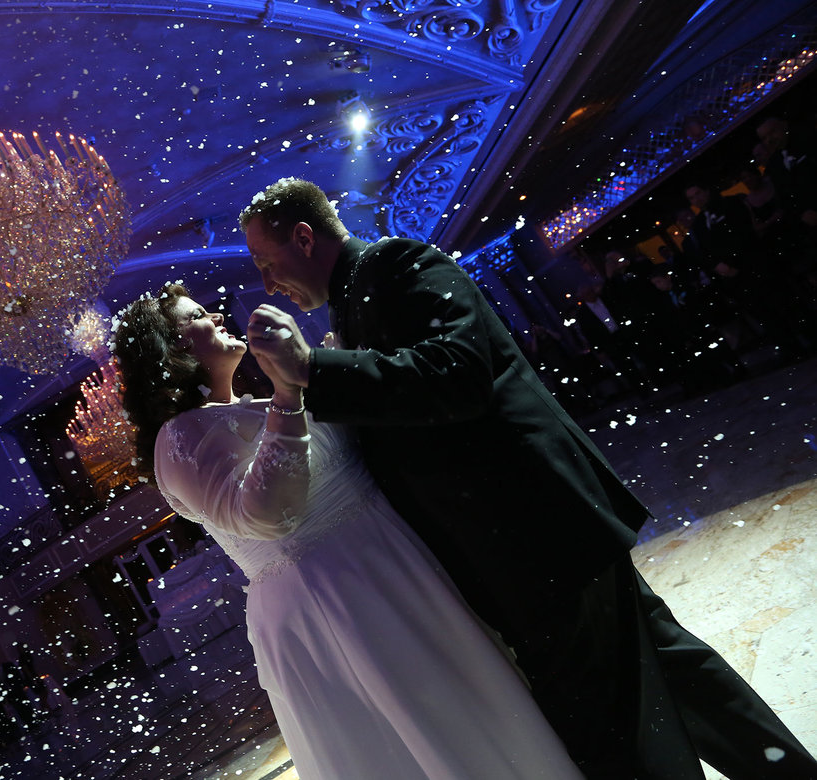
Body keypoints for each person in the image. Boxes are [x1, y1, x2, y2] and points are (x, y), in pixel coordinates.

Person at [239, 177, 817, 779]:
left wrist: (313, 369)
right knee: (670, 676)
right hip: (536, 530)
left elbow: (457, 373)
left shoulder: (398, 263)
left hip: (531, 533)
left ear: (304, 237)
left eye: (264, 260)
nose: (266, 281)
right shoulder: (355, 303)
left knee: (611, 726)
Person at [111, 282, 581, 779]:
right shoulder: (180, 436)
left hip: (386, 561)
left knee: (471, 702)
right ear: (175, 349)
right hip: (336, 593)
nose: (219, 316)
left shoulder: (244, 408)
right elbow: (267, 513)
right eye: (199, 315)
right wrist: (290, 394)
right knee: (434, 723)